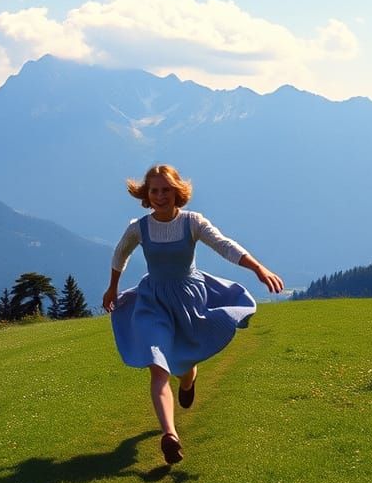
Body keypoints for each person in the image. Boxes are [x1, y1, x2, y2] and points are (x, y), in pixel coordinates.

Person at [102, 164, 283, 465]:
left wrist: (258, 268)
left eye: (166, 190)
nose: (160, 196)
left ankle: (187, 382)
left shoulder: (192, 222)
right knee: (158, 366)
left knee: (184, 363)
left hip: (188, 299)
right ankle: (169, 435)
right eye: (154, 191)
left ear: (177, 191)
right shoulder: (139, 228)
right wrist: (112, 288)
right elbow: (120, 254)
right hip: (152, 301)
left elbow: (224, 245)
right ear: (146, 194)